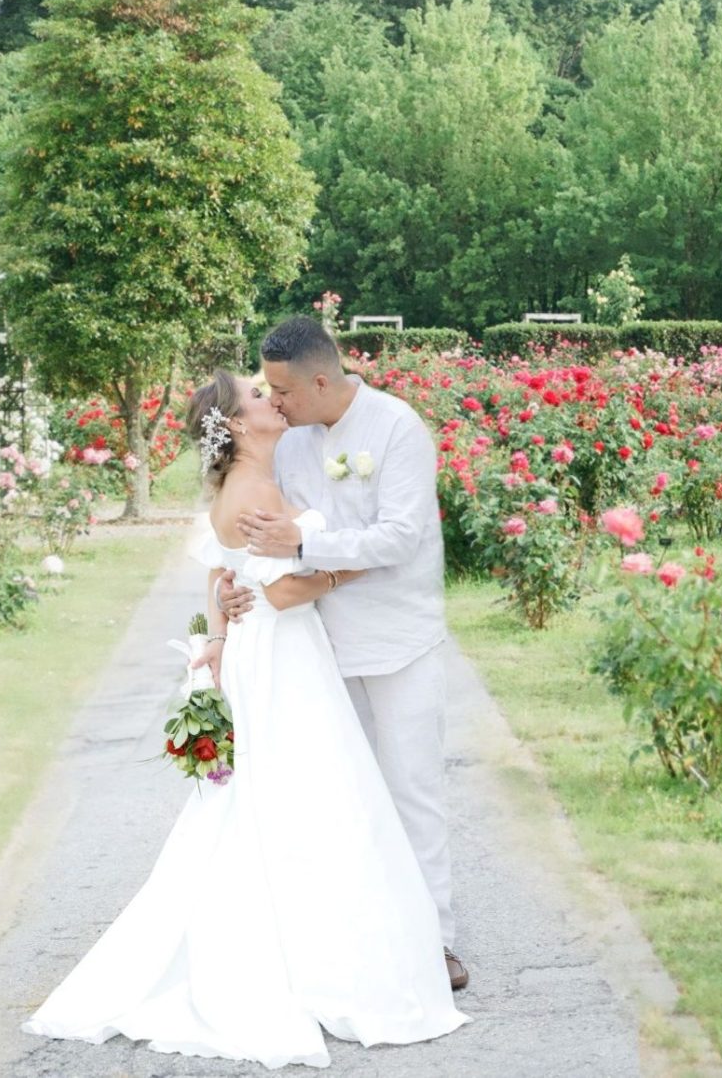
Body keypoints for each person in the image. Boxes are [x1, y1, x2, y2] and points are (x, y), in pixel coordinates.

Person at [21, 369, 468, 1069]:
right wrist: (352, 565)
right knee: (311, 798)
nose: (272, 400)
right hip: (286, 651)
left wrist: (226, 618)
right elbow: (286, 589)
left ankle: (311, 940)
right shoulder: (257, 488)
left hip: (270, 652)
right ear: (233, 425)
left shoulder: (254, 478)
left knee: (280, 800)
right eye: (258, 397)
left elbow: (219, 568)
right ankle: (317, 954)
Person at [220, 315, 467, 991]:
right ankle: (371, 936)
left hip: (400, 639)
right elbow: (267, 528)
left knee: (413, 788)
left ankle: (437, 940)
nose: (274, 403)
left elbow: (398, 537)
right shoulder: (294, 443)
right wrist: (238, 586)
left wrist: (302, 550)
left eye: (282, 391)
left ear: (321, 379)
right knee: (350, 798)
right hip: (320, 644)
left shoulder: (396, 428)